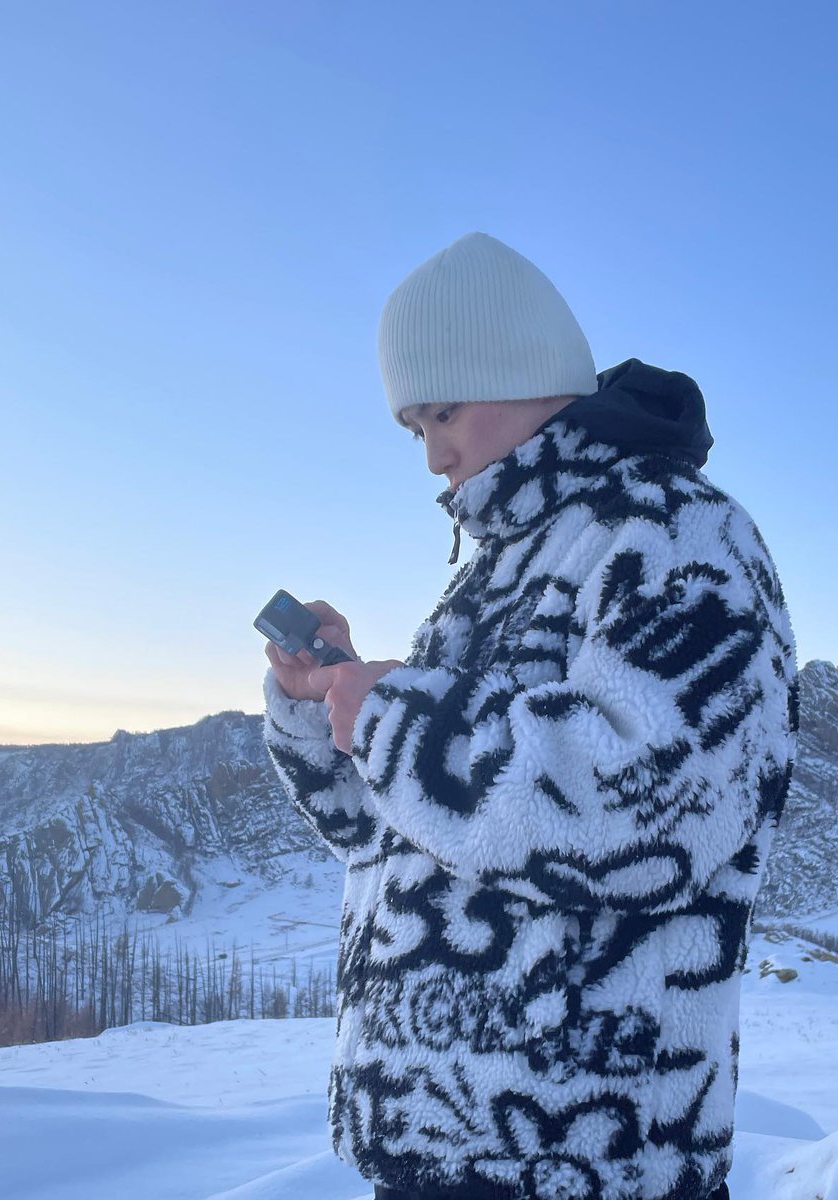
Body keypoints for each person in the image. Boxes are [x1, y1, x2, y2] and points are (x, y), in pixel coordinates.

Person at [262, 231, 800, 1200]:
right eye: (410, 428)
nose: (431, 453)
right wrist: (326, 711)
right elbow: (393, 837)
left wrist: (391, 716)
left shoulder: (676, 535)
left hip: (586, 1159)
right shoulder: (494, 578)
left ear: (511, 364)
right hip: (442, 1154)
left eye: (441, 412)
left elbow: (647, 810)